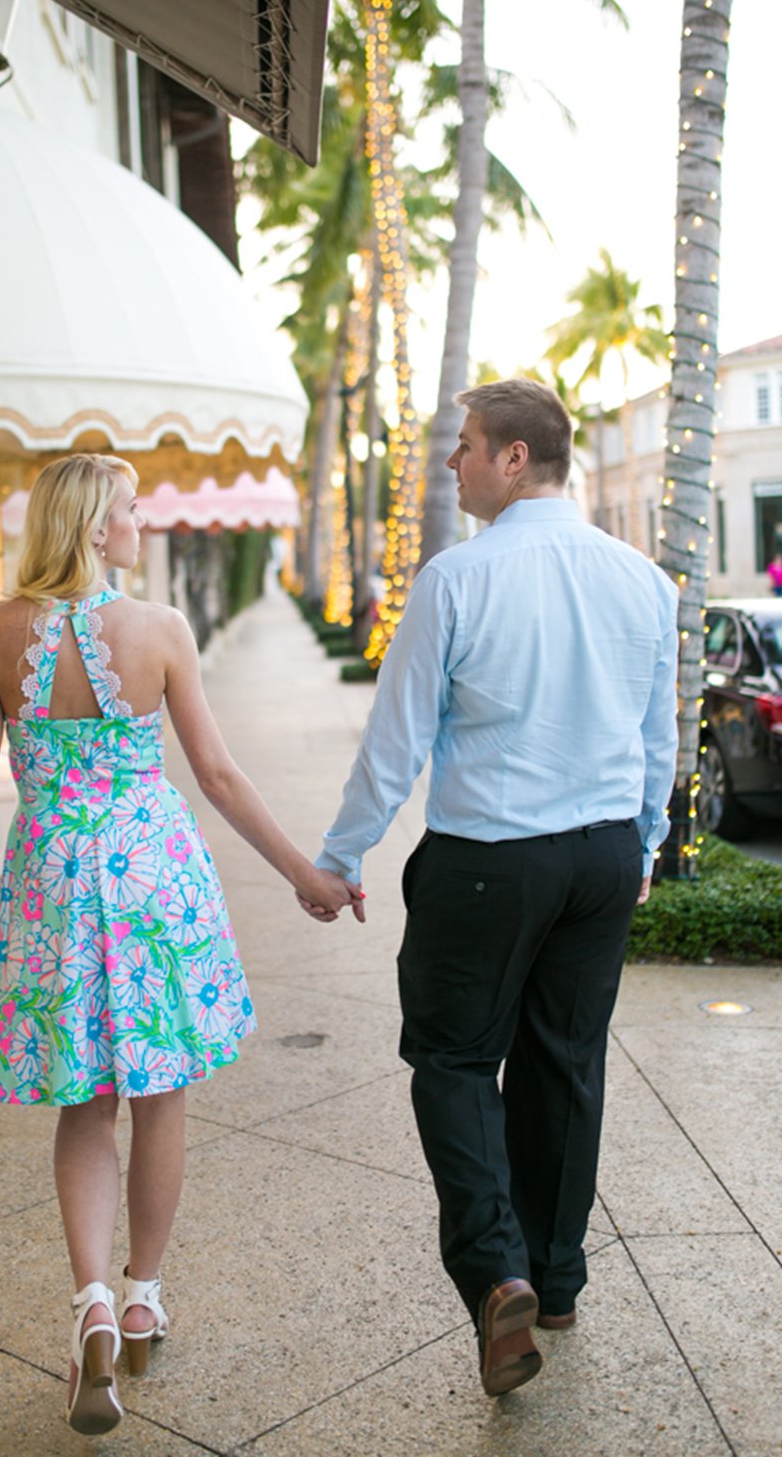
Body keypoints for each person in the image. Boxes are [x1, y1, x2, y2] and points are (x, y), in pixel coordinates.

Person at [0, 453, 360, 1437]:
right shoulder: (157, 631)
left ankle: (86, 1300)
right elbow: (214, 772)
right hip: (151, 877)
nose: (140, 525)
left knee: (85, 1105)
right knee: (159, 1096)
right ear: (92, 527)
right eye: (128, 511)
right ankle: (139, 1296)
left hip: (50, 881)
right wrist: (304, 874)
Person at [307, 380, 678, 1397]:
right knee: (564, 1063)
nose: (452, 464)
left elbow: (398, 741)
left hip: (486, 864)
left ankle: (497, 1275)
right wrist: (640, 848)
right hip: (600, 857)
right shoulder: (644, 579)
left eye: (464, 446)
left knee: (456, 1061)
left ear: (515, 458)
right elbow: (659, 740)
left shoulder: (456, 578)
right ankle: (555, 1283)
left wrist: (340, 858)